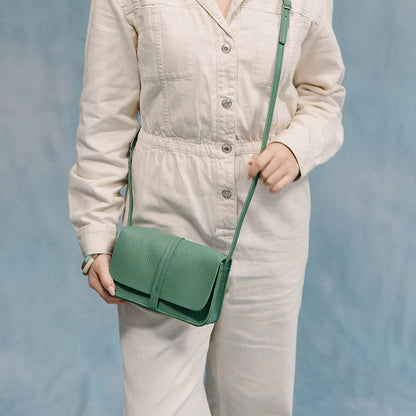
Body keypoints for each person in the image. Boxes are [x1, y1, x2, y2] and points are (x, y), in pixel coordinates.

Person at [68, 0, 346, 414]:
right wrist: (96, 233)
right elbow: (104, 117)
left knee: (257, 405)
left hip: (269, 223)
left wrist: (296, 146)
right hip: (164, 220)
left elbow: (324, 94)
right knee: (158, 404)